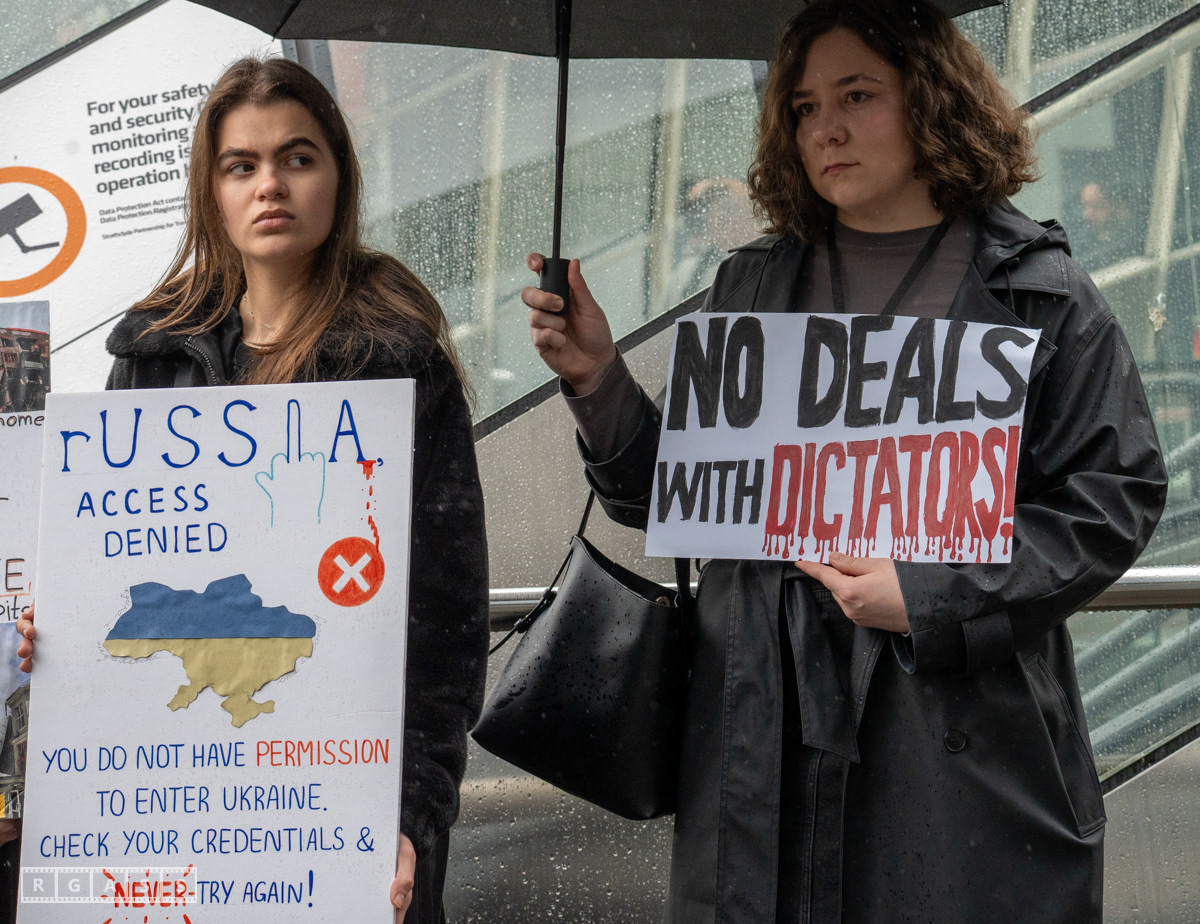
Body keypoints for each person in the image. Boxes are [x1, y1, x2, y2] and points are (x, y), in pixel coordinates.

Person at [522, 2, 1167, 923]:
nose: (824, 127)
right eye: (803, 107)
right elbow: (686, 494)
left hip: (954, 757)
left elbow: (1113, 499)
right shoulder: (752, 282)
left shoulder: (1040, 290)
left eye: (857, 95)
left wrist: (932, 592)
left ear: (933, 99)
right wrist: (598, 378)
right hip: (758, 743)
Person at [16, 58, 489, 924]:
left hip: (341, 813)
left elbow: (447, 628)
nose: (270, 183)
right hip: (178, 805)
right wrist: (60, 627)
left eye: (298, 158)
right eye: (242, 165)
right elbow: (119, 574)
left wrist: (413, 817)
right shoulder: (149, 356)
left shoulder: (399, 363)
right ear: (214, 191)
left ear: (338, 178)